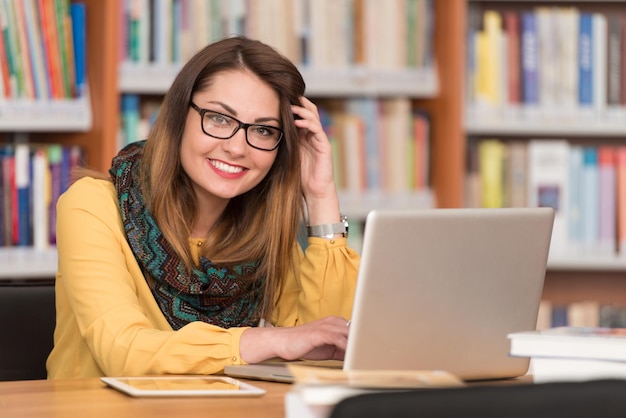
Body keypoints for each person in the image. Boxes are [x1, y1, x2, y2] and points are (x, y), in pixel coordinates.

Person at [46, 37, 359, 379]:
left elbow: (329, 349)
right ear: (180, 115)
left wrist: (320, 195)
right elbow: (123, 351)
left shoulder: (265, 230)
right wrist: (270, 341)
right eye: (220, 119)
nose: (238, 148)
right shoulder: (91, 205)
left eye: (263, 130)